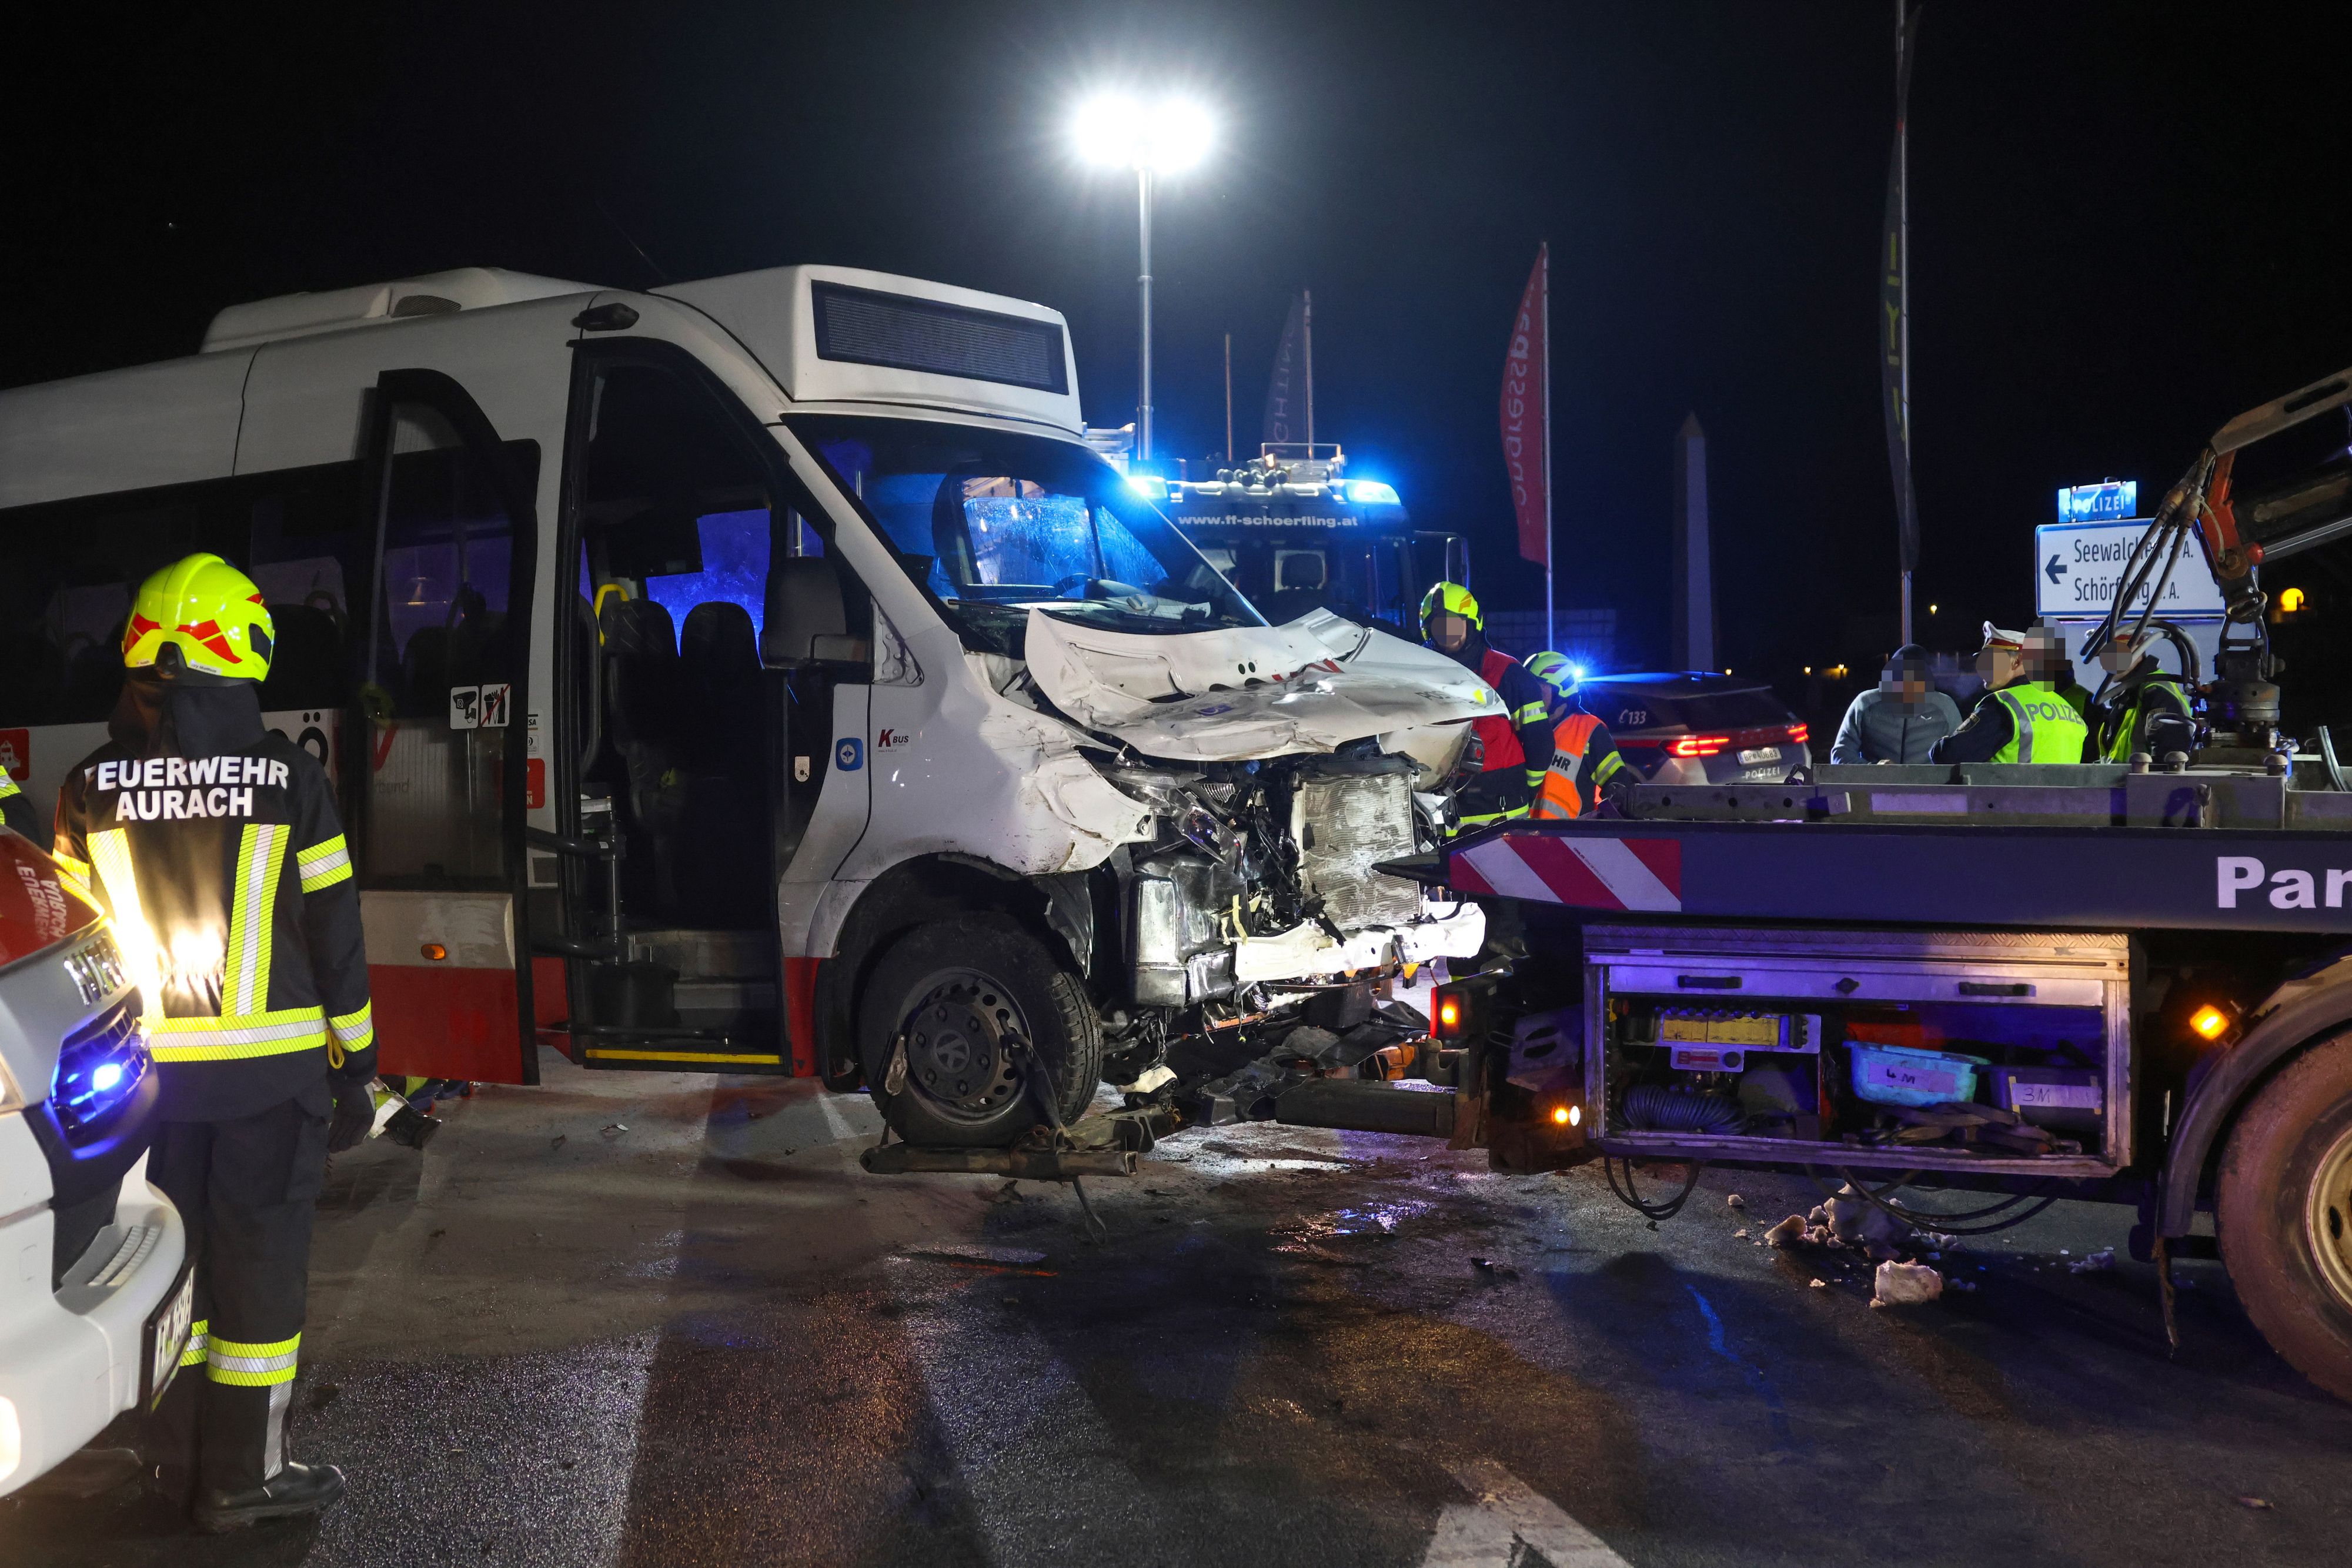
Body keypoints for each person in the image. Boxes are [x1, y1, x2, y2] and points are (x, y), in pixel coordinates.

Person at [51, 553, 375, 1532]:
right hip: (272, 1088)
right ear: (241, 652)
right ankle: (245, 1478)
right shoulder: (289, 779)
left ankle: (175, 1464)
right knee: (258, 1276)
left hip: (146, 1091)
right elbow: (337, 937)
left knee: (170, 1276)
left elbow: (76, 940)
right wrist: (356, 1065)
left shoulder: (89, 786)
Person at [1419, 583, 1558, 828]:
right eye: (1439, 625)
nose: (1446, 632)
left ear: (1472, 624)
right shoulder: (1417, 673)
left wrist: (1525, 789)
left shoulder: (1507, 673)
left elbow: (1541, 742)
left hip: (1498, 813)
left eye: (1453, 624)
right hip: (1437, 814)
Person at [1929, 623, 2088, 764]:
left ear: (2017, 661)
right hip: (2063, 799)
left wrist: (1939, 744)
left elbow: (1948, 756)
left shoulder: (2003, 704)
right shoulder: (2069, 711)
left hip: (2010, 798)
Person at [1523, 650, 1630, 817]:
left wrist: (1600, 823)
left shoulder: (1590, 730)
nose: (1529, 695)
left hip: (1570, 839)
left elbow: (1619, 786)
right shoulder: (1522, 726)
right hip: (1520, 838)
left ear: (1562, 688)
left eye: (1537, 687)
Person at [1829, 644, 1963, 764]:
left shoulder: (1945, 706)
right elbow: (1840, 755)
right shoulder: (1865, 703)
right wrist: (1874, 771)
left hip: (1928, 791)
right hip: (1875, 790)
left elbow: (1962, 756)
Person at [2092, 628, 2197, 763]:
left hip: (2141, 783)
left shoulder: (2157, 693)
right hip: (2123, 782)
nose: (2103, 666)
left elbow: (2169, 760)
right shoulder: (2128, 694)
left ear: (2136, 649)